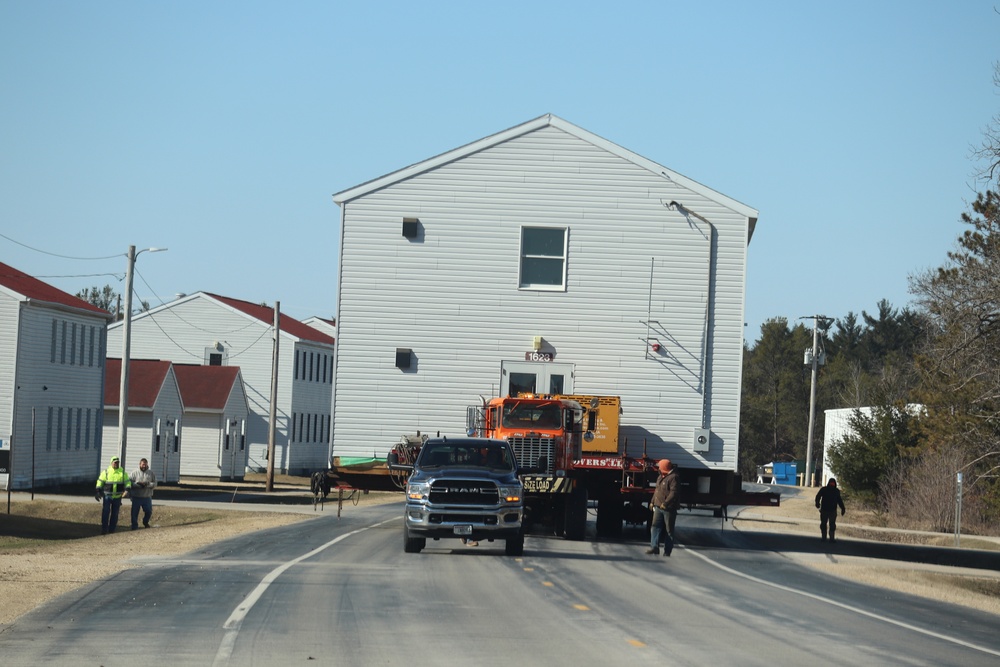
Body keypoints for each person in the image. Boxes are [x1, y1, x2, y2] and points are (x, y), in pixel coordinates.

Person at [646, 458, 679, 557]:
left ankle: (667, 551)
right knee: (655, 526)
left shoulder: (674, 477)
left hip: (668, 508)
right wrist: (652, 502)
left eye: (660, 467)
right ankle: (654, 547)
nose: (658, 469)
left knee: (669, 530)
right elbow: (657, 491)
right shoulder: (660, 477)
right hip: (658, 506)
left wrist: (666, 503)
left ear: (664, 467)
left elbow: (674, 493)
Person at [95, 456, 131, 535]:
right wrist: (97, 491)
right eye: (115, 462)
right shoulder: (106, 472)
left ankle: (112, 530)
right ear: (111, 463)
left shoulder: (122, 472)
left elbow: (127, 482)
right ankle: (104, 529)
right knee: (106, 512)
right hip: (107, 496)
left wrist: (127, 490)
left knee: (115, 514)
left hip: (117, 497)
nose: (116, 464)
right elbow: (100, 481)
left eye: (117, 462)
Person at [129, 457, 157, 530]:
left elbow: (155, 484)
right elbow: (129, 483)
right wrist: (137, 484)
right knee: (134, 513)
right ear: (140, 464)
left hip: (147, 496)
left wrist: (147, 484)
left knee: (148, 511)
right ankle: (134, 526)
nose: (144, 466)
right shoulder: (134, 473)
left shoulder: (151, 473)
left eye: (145, 465)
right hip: (136, 496)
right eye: (142, 464)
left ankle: (145, 522)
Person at [815, 477, 846, 542]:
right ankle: (824, 537)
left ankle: (831, 538)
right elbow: (818, 496)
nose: (832, 485)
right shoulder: (824, 489)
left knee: (832, 525)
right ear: (828, 483)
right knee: (823, 524)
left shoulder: (836, 491)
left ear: (835, 484)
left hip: (832, 511)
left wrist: (843, 508)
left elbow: (839, 500)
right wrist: (817, 503)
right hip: (824, 510)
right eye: (831, 483)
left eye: (833, 484)